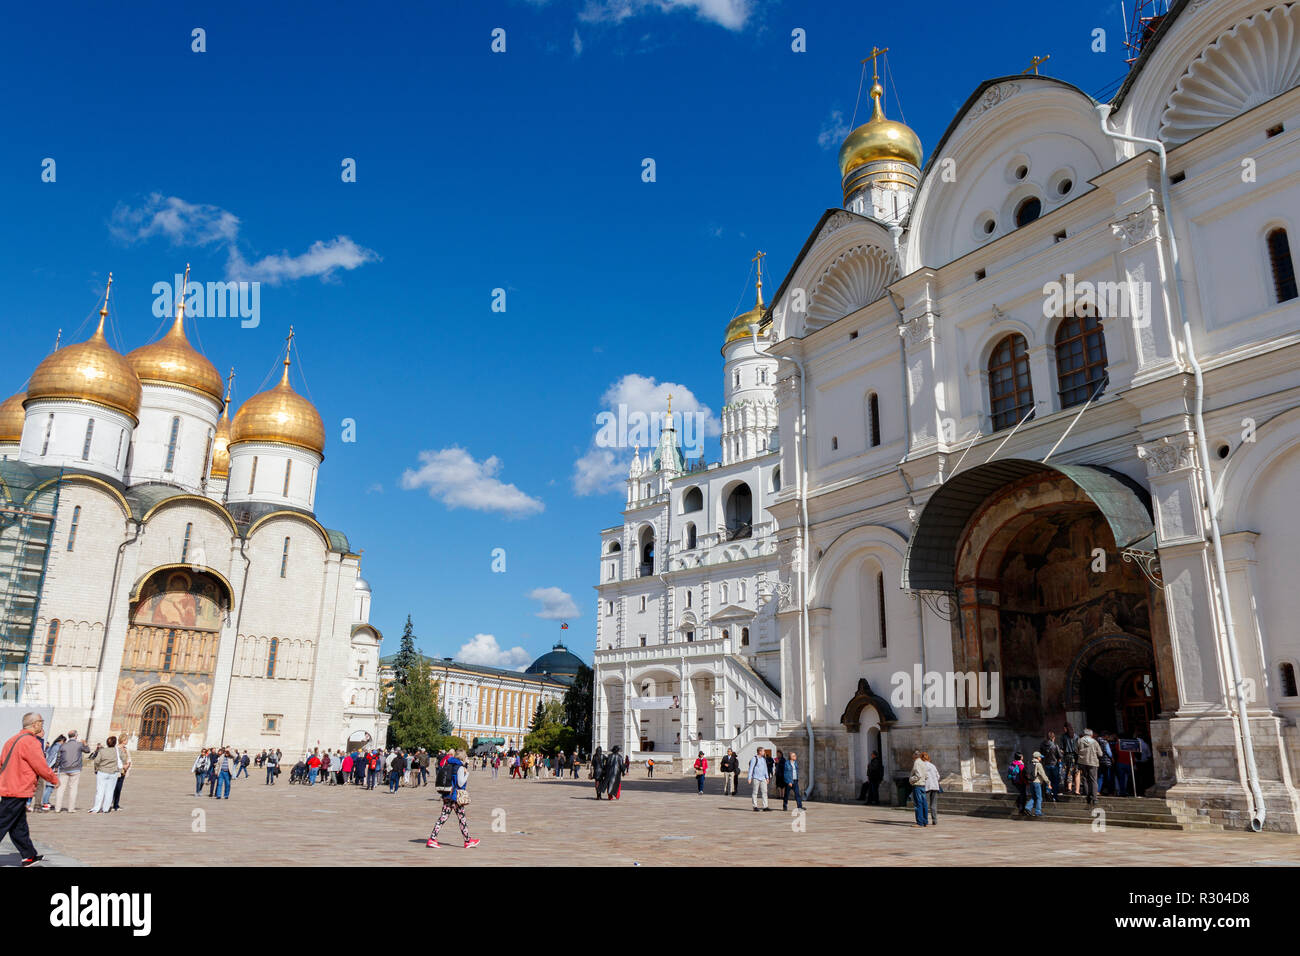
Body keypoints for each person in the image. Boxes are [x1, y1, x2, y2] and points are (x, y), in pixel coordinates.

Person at [0, 713, 60, 865]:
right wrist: (53, 779)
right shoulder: (30, 742)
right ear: (35, 724)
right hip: (18, 789)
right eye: (41, 722)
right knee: (3, 823)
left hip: (9, 787)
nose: (42, 724)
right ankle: (29, 855)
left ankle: (29, 856)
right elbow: (40, 765)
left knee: (18, 826)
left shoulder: (11, 741)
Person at [427, 750, 479, 848]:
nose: (467, 759)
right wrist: (467, 774)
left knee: (444, 817)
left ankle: (432, 838)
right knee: (461, 819)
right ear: (463, 757)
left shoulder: (449, 764)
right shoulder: (459, 767)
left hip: (447, 795)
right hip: (455, 797)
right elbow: (460, 783)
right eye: (466, 757)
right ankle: (467, 841)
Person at [52, 729, 90, 812]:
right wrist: (85, 743)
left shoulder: (63, 745)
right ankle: (71, 808)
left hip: (63, 769)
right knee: (73, 789)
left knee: (61, 789)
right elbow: (87, 751)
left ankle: (57, 808)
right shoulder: (79, 744)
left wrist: (56, 767)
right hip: (75, 769)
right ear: (76, 736)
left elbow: (58, 757)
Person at [88, 737, 120, 813]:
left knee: (100, 791)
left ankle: (96, 808)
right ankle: (106, 809)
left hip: (102, 771)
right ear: (115, 743)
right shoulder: (117, 751)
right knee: (110, 791)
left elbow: (96, 761)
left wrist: (96, 768)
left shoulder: (102, 751)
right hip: (113, 772)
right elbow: (123, 759)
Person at [37, 734, 65, 811]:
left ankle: (46, 801)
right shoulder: (58, 747)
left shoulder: (52, 746)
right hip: (52, 768)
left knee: (49, 786)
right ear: (61, 741)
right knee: (50, 786)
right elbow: (54, 758)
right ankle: (45, 802)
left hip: (48, 767)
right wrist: (52, 768)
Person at [1076, 728, 1102, 805]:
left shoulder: (1079, 740)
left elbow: (1076, 751)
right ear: (1091, 734)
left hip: (1082, 762)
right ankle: (1094, 798)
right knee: (1093, 780)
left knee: (1085, 779)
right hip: (1093, 762)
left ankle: (1088, 796)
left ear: (1084, 734)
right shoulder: (1095, 742)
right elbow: (1100, 754)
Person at [1039, 731, 1062, 801]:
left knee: (1047, 780)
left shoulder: (1042, 745)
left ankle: (1047, 793)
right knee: (1055, 781)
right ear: (1053, 738)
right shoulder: (1055, 746)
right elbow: (1060, 756)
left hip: (1046, 765)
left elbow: (1040, 755)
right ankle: (1054, 796)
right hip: (1054, 765)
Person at [908, 750, 928, 827]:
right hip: (922, 784)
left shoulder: (917, 763)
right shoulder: (923, 763)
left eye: (913, 754)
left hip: (917, 785)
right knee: (924, 803)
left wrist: (911, 780)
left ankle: (919, 822)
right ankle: (925, 821)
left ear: (915, 755)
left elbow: (918, 775)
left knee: (918, 804)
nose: (912, 756)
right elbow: (926, 775)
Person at [747, 747, 770, 811]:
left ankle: (765, 806)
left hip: (763, 778)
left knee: (765, 792)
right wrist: (749, 778)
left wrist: (767, 777)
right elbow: (751, 768)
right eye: (763, 751)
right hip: (756, 778)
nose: (764, 752)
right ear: (759, 752)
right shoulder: (754, 759)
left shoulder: (763, 759)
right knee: (755, 792)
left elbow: (765, 769)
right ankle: (755, 806)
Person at [1028, 752, 1051, 817]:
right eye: (1040, 757)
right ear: (1037, 757)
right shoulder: (1038, 764)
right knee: (1039, 798)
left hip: (1031, 782)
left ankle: (1027, 808)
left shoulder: (1030, 763)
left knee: (1033, 797)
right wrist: (1048, 782)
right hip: (1037, 782)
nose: (1041, 758)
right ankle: (1038, 812)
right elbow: (1043, 774)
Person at [110, 738, 131, 811]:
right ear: (123, 740)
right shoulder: (116, 748)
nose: (127, 741)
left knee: (119, 788)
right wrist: (122, 766)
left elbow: (129, 758)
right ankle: (111, 804)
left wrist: (128, 764)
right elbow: (116, 759)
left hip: (124, 771)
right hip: (117, 770)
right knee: (113, 788)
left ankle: (116, 804)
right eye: (126, 739)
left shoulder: (126, 749)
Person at [1061, 723, 1081, 794]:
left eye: (1064, 728)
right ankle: (1077, 790)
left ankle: (1069, 788)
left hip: (1067, 756)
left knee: (1069, 772)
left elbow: (1062, 749)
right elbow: (1079, 747)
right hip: (1076, 756)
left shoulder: (1064, 736)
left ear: (1066, 728)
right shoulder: (1076, 736)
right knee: (1077, 773)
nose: (1063, 730)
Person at [1007, 751, 1028, 815]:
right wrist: (1026, 781)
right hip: (1020, 781)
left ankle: (1019, 804)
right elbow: (1023, 775)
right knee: (1023, 795)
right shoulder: (1021, 764)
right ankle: (1021, 809)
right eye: (1022, 756)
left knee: (1022, 793)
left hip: (1014, 781)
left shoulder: (1013, 763)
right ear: (1021, 757)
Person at [922, 752, 940, 825]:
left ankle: (925, 820)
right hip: (935, 786)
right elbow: (938, 776)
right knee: (933, 804)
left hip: (927, 786)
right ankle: (934, 820)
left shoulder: (922, 766)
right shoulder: (933, 766)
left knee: (925, 803)